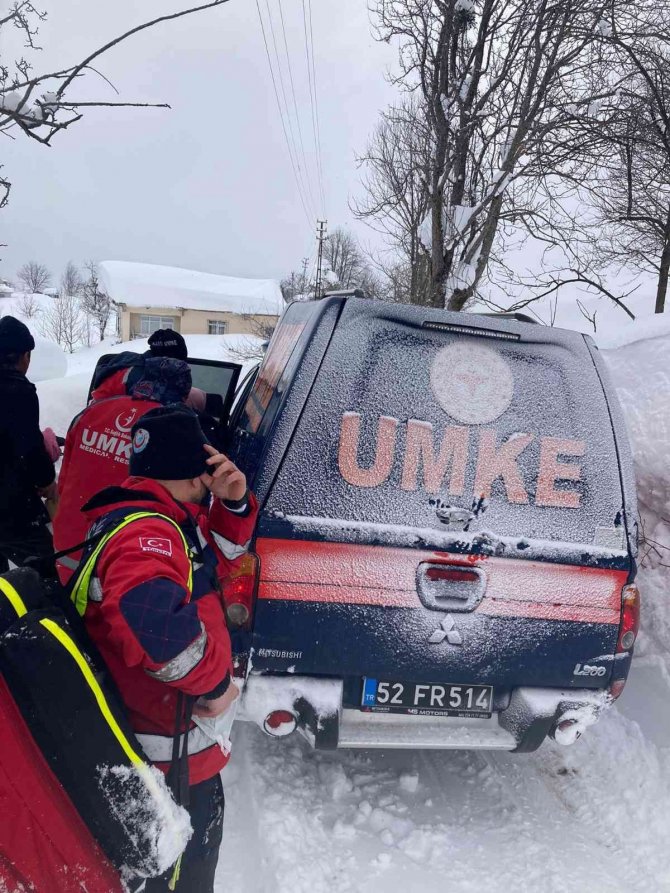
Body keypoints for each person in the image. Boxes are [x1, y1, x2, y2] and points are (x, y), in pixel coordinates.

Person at [70, 404, 257, 892]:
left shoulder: (158, 517)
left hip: (171, 755)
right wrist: (216, 685)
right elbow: (157, 630)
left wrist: (233, 506)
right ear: (195, 467)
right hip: (167, 766)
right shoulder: (148, 533)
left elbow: (207, 566)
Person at [53, 356, 193, 584]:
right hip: (121, 552)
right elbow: (182, 505)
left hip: (69, 544)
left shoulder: (91, 412)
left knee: (66, 607)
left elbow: (65, 478)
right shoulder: (171, 429)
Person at [0, 316, 58, 575]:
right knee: (47, 568)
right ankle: (56, 610)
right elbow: (29, 450)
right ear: (24, 356)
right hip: (11, 507)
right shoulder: (18, 391)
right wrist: (48, 481)